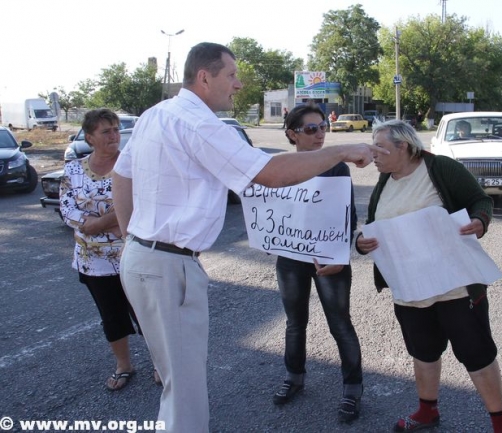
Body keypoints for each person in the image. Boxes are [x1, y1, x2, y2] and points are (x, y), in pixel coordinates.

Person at [111, 42, 382, 433]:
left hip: (144, 258)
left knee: (174, 382)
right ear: (204, 77)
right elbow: (269, 173)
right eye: (232, 75)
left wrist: (130, 239)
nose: (238, 84)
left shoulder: (156, 114)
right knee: (185, 392)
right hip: (168, 265)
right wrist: (343, 151)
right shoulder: (199, 123)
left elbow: (122, 175)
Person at [355, 120, 502, 433]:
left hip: (456, 286)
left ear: (403, 146)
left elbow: (480, 200)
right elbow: (373, 225)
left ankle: (500, 423)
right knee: (423, 352)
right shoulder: (385, 181)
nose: (374, 154)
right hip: (410, 288)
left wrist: (480, 221)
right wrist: (361, 242)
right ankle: (427, 411)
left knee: (477, 354)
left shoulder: (440, 168)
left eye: (380, 148)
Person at [272, 103, 363, 423]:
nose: (320, 134)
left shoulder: (336, 168)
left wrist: (340, 257)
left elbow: (348, 217)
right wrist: (269, 238)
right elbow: (268, 208)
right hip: (290, 257)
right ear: (292, 134)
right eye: (311, 129)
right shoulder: (280, 167)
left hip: (329, 258)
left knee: (340, 324)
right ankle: (293, 377)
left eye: (323, 127)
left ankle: (352, 389)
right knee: (295, 323)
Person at [60, 109, 148, 391]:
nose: (114, 136)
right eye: (106, 131)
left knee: (146, 313)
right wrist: (101, 222)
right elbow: (67, 208)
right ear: (90, 138)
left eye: (116, 130)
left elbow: (141, 204)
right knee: (110, 316)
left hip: (131, 256)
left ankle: (161, 363)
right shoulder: (74, 169)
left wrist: (96, 223)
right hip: (93, 261)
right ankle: (124, 365)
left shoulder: (131, 166)